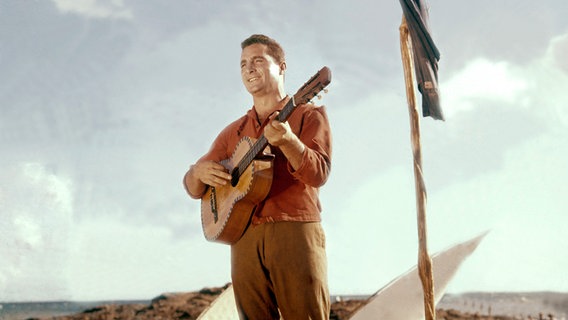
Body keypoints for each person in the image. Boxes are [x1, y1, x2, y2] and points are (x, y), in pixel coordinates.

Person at [183, 34, 332, 319]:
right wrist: (196, 171)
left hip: (294, 230)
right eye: (243, 64)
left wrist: (289, 142)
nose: (249, 69)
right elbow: (192, 187)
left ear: (282, 66)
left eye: (258, 61)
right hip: (243, 236)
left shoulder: (308, 115)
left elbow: (318, 174)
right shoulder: (233, 132)